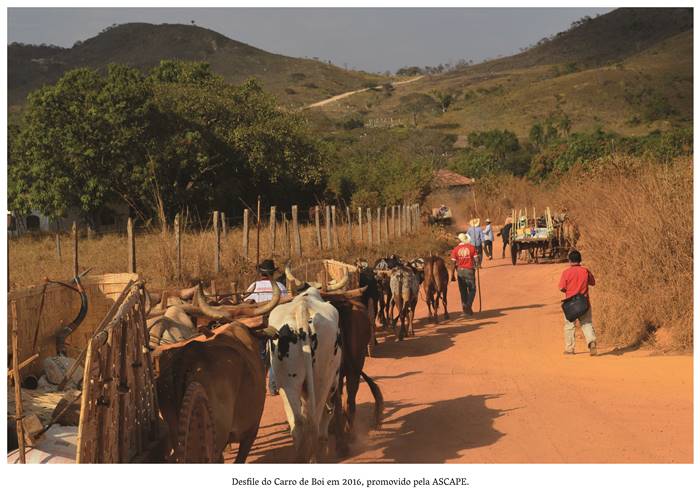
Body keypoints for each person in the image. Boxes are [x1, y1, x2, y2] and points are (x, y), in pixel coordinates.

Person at [245, 259, 288, 395]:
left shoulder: (254, 286)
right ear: (272, 273)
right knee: (275, 353)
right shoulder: (280, 287)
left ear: (261, 273)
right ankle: (273, 386)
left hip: (258, 326)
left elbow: (245, 304)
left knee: (260, 355)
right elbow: (287, 303)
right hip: (277, 324)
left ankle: (259, 385)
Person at [559, 250, 597, 356]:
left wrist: (569, 290)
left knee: (569, 325)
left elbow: (562, 288)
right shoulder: (585, 271)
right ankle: (591, 342)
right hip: (584, 302)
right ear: (580, 260)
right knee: (586, 323)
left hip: (571, 304)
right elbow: (593, 283)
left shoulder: (566, 273)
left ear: (570, 260)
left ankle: (569, 349)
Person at [450, 233, 479, 316]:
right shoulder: (472, 247)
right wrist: (478, 265)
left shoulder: (455, 249)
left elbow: (453, 263)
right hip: (469, 270)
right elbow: (476, 259)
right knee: (472, 289)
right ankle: (468, 305)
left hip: (460, 271)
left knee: (463, 291)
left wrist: (452, 275)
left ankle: (466, 310)